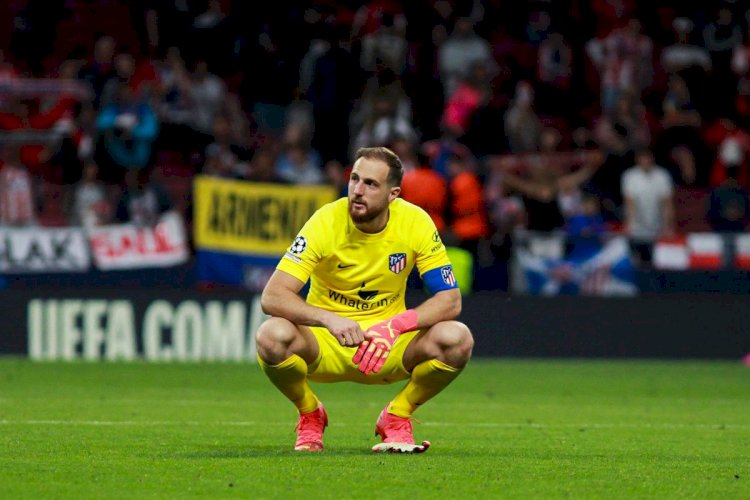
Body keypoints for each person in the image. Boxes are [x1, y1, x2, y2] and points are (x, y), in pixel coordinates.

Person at [256, 146, 473, 453]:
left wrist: (395, 326)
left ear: (392, 194)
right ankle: (310, 413)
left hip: (387, 346)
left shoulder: (416, 223)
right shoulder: (325, 221)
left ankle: (397, 416)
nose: (357, 191)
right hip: (325, 342)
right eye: (354, 179)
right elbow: (273, 295)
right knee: (270, 336)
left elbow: (450, 301)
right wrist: (329, 319)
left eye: (370, 184)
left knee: (458, 338)